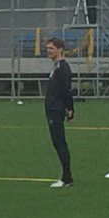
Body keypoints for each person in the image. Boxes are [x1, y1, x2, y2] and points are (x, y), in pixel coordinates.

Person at [44, 38, 75, 188]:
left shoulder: (62, 68)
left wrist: (70, 109)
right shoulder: (56, 67)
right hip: (52, 109)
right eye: (48, 48)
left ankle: (66, 177)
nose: (49, 51)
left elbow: (66, 91)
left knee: (60, 142)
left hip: (56, 110)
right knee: (57, 143)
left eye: (52, 48)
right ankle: (66, 176)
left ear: (60, 49)